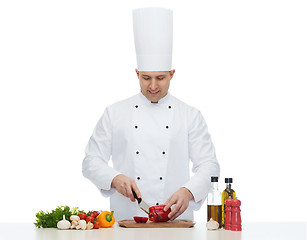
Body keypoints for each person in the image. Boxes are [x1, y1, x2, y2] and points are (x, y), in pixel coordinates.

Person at [82, 7, 220, 221]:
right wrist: (114, 178)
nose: (153, 86)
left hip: (177, 222)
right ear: (137, 73)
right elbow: (91, 161)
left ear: (172, 74)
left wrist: (189, 191)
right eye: (146, 78)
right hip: (126, 220)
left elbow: (210, 165)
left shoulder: (190, 115)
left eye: (160, 78)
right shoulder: (114, 113)